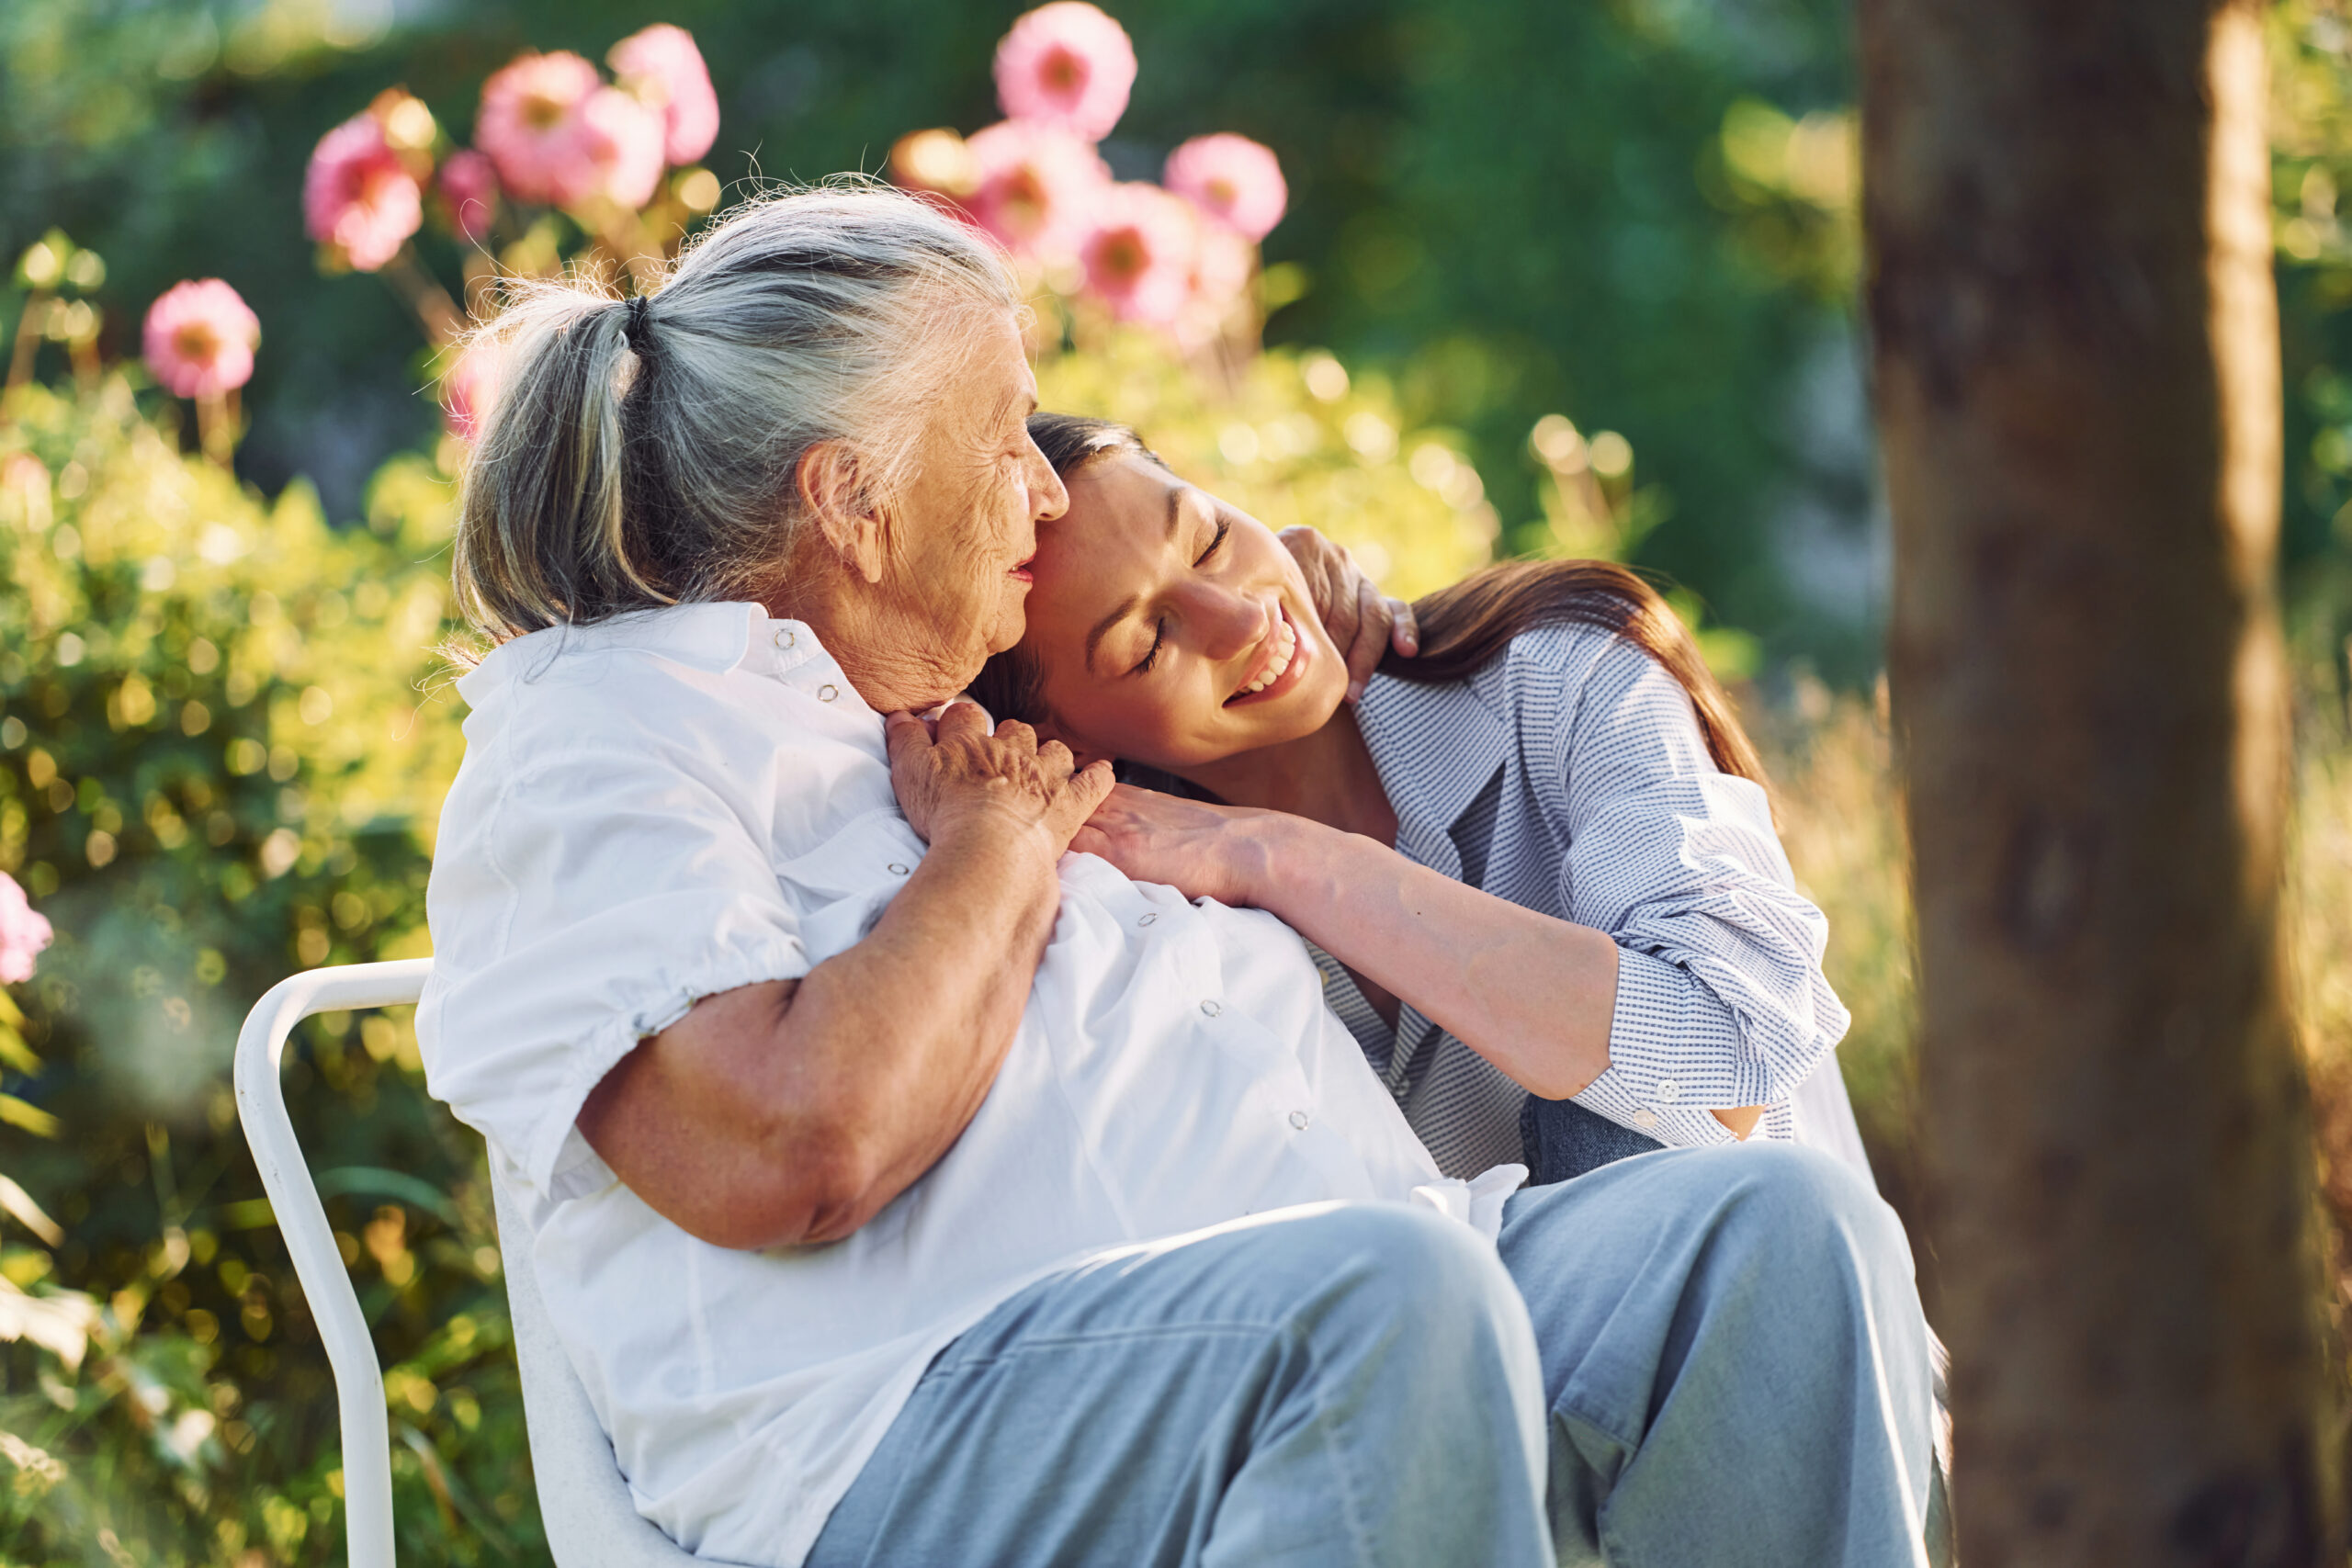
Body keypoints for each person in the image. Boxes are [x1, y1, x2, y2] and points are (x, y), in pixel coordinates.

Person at [418, 184, 1936, 1568]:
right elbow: (790, 1145)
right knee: (1383, 1308)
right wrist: (1000, 852)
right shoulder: (607, 736)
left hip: (1361, 1302)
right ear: (851, 504)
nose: (1037, 489)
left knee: (1775, 1236)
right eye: (1002, 437)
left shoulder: (940, 721)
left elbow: (1202, 672)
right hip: (912, 1424)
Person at [968, 415, 1874, 1187]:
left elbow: (1737, 1044)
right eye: (1147, 644)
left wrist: (1289, 859)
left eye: (1208, 537)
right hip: (1493, 1377)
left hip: (1780, 1332)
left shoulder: (1560, 674)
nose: (1240, 619)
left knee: (1618, 1144)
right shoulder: (1129, 918)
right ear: (1069, 740)